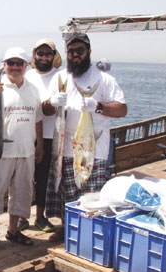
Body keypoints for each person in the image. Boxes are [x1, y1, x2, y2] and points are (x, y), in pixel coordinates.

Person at [44, 33, 127, 242]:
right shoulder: (59, 78)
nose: (75, 55)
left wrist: (97, 106)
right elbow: (45, 110)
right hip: (65, 147)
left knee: (92, 194)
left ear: (88, 52)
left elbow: (122, 110)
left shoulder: (104, 79)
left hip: (93, 149)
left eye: (79, 50)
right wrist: (51, 102)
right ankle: (66, 227)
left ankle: (90, 232)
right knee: (65, 191)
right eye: (71, 51)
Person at [0, 47, 43, 250]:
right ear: (4, 65)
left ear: (26, 66)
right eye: (10, 63)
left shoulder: (33, 89)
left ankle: (13, 230)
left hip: (26, 151)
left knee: (22, 192)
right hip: (0, 151)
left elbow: (38, 120)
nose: (15, 67)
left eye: (19, 63)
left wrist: (39, 144)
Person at [17, 39, 62, 233]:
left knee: (43, 178)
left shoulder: (61, 77)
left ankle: (40, 216)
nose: (44, 57)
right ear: (34, 55)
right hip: (26, 134)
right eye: (40, 53)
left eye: (48, 54)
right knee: (22, 178)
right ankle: (20, 216)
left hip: (53, 135)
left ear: (54, 56)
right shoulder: (25, 75)